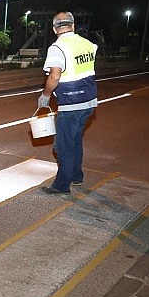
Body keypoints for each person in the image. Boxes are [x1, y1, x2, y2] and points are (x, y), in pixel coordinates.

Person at [38, 11, 97, 195]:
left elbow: (55, 75)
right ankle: (76, 176)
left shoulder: (58, 48)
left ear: (54, 28)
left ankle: (62, 185)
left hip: (71, 102)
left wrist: (45, 95)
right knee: (75, 140)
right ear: (73, 26)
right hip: (89, 101)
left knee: (62, 145)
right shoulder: (87, 44)